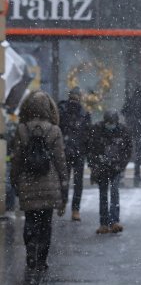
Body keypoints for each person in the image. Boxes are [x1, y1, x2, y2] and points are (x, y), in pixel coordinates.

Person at [10, 90, 68, 271]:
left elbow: (17, 159)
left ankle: (31, 256)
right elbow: (60, 160)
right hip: (49, 183)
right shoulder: (55, 130)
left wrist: (15, 180)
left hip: (28, 182)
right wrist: (64, 183)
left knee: (30, 221)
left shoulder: (22, 129)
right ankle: (42, 260)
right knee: (45, 223)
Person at [87, 111, 132, 234]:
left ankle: (114, 221)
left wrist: (121, 164)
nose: (110, 125)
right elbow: (91, 150)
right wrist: (95, 165)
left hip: (116, 167)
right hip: (101, 168)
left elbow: (128, 150)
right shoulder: (96, 131)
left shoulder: (123, 131)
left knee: (114, 191)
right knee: (103, 194)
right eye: (108, 123)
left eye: (112, 123)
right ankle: (104, 223)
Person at [57, 87, 91, 220]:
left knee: (73, 182)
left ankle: (71, 207)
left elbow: (88, 133)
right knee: (68, 181)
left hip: (77, 151)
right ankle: (67, 205)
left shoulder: (83, 113)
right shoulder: (63, 111)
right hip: (68, 150)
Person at [121, 85, 141, 186]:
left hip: (130, 128)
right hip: (139, 129)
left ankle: (122, 174)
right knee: (138, 153)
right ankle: (137, 174)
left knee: (126, 152)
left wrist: (130, 119)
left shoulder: (131, 101)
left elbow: (123, 111)